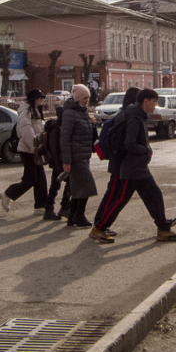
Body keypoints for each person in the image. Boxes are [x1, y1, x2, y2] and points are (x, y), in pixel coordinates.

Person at [119, 88, 176, 242]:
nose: (155, 106)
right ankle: (99, 227)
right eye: (154, 102)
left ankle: (163, 227)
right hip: (132, 168)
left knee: (154, 195)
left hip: (139, 168)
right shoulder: (135, 118)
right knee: (118, 200)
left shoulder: (139, 116)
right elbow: (129, 143)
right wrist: (145, 151)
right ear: (146, 101)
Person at [89, 87, 139, 243]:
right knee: (112, 195)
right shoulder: (125, 116)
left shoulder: (122, 113)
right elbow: (123, 142)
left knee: (112, 194)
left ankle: (100, 224)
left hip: (118, 162)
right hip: (119, 162)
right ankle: (98, 225)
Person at [0, 89, 55, 219]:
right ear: (33, 99)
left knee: (40, 179)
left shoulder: (35, 110)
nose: (42, 100)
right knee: (30, 179)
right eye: (40, 98)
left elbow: (37, 129)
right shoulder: (26, 111)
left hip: (34, 149)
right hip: (28, 150)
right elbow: (26, 131)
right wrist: (36, 146)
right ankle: (7, 194)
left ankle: (40, 206)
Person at [61, 84, 99, 227]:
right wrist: (67, 160)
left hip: (84, 155)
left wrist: (92, 124)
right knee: (87, 187)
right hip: (76, 157)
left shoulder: (82, 112)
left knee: (78, 188)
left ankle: (72, 216)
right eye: (84, 97)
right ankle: (79, 215)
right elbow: (65, 139)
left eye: (88, 97)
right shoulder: (70, 113)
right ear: (77, 98)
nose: (87, 100)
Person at [46, 105, 72, 218]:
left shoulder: (60, 127)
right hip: (59, 162)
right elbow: (55, 150)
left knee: (56, 185)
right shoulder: (56, 129)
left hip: (60, 162)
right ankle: (61, 207)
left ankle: (53, 208)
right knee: (62, 184)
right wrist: (60, 167)